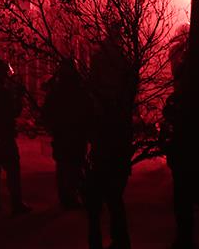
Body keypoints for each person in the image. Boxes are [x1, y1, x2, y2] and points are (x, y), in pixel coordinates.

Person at [85, 29, 137, 249]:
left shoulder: (106, 61)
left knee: (99, 202)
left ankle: (105, 240)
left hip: (106, 149)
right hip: (113, 148)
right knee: (112, 198)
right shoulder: (123, 61)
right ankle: (119, 240)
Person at [42, 58, 92, 209]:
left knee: (64, 165)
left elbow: (47, 111)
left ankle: (67, 197)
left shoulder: (57, 89)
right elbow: (87, 107)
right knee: (75, 163)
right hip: (75, 131)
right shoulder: (79, 87)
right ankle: (75, 195)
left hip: (63, 132)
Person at [0, 59, 31, 215]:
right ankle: (16, 204)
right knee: (12, 171)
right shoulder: (3, 93)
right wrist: (18, 97)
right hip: (4, 136)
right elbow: (13, 112)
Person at [163, 24, 194, 249]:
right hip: (185, 143)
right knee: (183, 194)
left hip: (183, 144)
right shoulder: (181, 54)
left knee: (182, 194)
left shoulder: (179, 54)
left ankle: (184, 237)